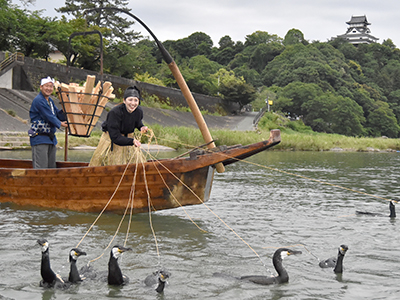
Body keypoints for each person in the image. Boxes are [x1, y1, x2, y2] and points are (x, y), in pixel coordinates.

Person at [89, 86, 148, 166]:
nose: (133, 103)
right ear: (124, 100)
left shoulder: (139, 111)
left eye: (136, 100)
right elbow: (115, 137)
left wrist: (142, 127)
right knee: (110, 164)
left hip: (129, 141)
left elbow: (137, 122)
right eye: (130, 100)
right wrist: (132, 141)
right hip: (112, 141)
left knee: (137, 165)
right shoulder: (115, 113)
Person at [29, 76, 68, 169]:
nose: (49, 89)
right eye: (46, 86)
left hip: (50, 138)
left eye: (51, 87)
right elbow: (49, 115)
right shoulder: (39, 100)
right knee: (41, 168)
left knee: (51, 167)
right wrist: (60, 124)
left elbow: (56, 113)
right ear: (41, 87)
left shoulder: (49, 101)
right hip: (40, 138)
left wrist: (65, 109)